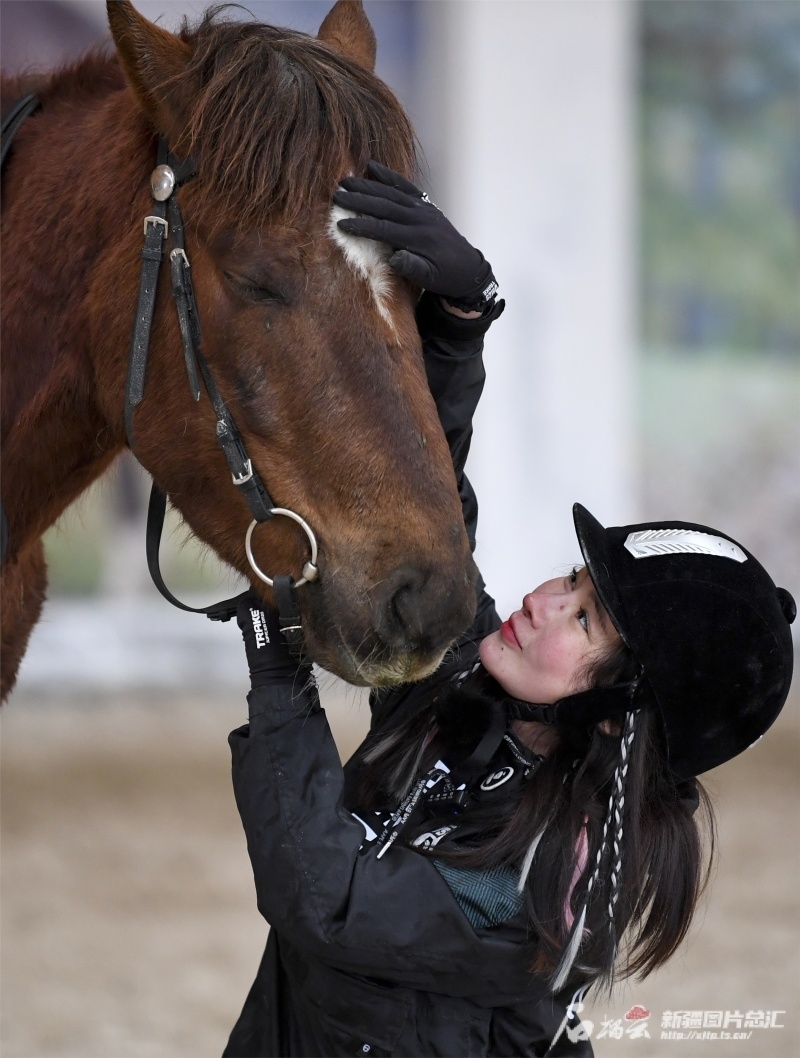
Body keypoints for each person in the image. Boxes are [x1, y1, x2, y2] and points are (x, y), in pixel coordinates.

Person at [222, 163, 796, 1058]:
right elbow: (431, 510)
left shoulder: (555, 880)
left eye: (585, 620)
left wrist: (278, 671)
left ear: (622, 716)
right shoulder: (471, 694)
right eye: (570, 580)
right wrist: (459, 325)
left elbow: (324, 897)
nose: (541, 600)